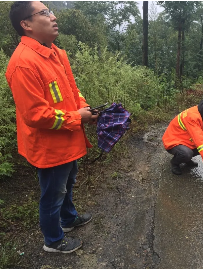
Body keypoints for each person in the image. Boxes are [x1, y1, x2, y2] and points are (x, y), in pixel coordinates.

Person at [6, 1, 98, 253]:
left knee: (67, 183)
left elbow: (71, 90)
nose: (53, 16)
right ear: (26, 25)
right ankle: (53, 241)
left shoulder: (55, 53)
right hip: (50, 146)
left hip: (68, 139)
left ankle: (68, 220)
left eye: (50, 11)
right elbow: (35, 115)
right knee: (53, 193)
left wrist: (86, 109)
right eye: (45, 13)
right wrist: (76, 118)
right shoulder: (24, 63)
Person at [162, 100, 203, 177]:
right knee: (186, 154)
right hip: (173, 140)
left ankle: (187, 159)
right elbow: (200, 141)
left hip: (186, 138)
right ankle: (175, 163)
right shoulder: (193, 117)